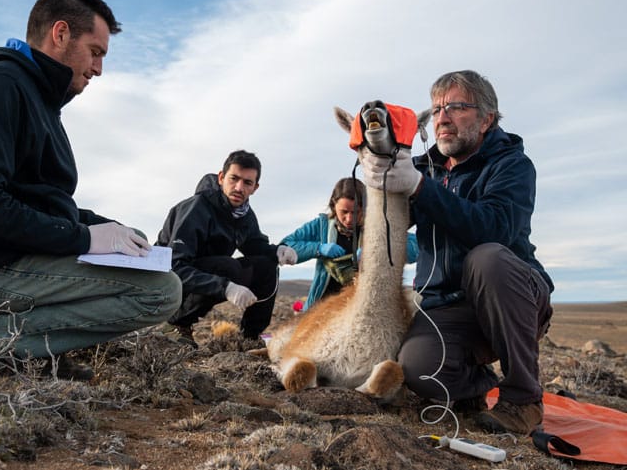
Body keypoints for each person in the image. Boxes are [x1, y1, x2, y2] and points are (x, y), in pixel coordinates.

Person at [0, 0, 182, 380]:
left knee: (136, 245)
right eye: (95, 53)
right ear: (60, 34)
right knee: (161, 290)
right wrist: (85, 239)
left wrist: (103, 227)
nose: (98, 69)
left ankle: (32, 350)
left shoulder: (37, 98)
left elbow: (40, 199)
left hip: (12, 257)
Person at [362, 70, 554, 435]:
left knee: (488, 258)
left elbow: (493, 228)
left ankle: (523, 398)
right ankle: (472, 387)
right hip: (447, 307)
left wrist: (420, 187)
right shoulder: (423, 169)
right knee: (419, 368)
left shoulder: (512, 165)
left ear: (487, 119)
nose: (442, 118)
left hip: (510, 298)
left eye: (456, 107)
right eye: (436, 110)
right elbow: (387, 226)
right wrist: (378, 172)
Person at [155, 150, 298, 346]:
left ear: (255, 188)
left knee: (267, 265)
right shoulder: (195, 209)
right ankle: (176, 324)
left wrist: (277, 251)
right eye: (234, 179)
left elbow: (254, 245)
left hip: (205, 276)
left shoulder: (244, 215)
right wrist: (226, 287)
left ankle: (250, 338)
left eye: (247, 182)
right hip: (165, 287)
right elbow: (174, 265)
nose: (239, 187)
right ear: (221, 178)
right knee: (228, 267)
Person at [281, 177, 418, 311]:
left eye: (355, 212)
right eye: (344, 212)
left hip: (365, 307)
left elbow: (416, 247)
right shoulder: (320, 226)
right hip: (321, 309)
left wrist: (375, 250)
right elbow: (286, 246)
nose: (349, 219)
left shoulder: (377, 226)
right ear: (333, 206)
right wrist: (318, 248)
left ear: (365, 208)